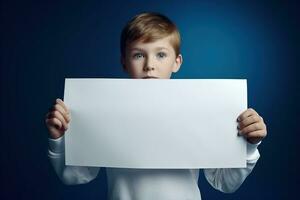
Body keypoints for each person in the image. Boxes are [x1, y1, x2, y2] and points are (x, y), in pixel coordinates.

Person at [45, 12, 267, 200]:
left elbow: (224, 182)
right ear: (124, 61)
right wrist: (58, 139)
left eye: (161, 55)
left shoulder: (198, 108)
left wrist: (248, 145)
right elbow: (75, 175)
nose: (150, 65)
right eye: (139, 55)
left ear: (176, 62)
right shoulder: (104, 109)